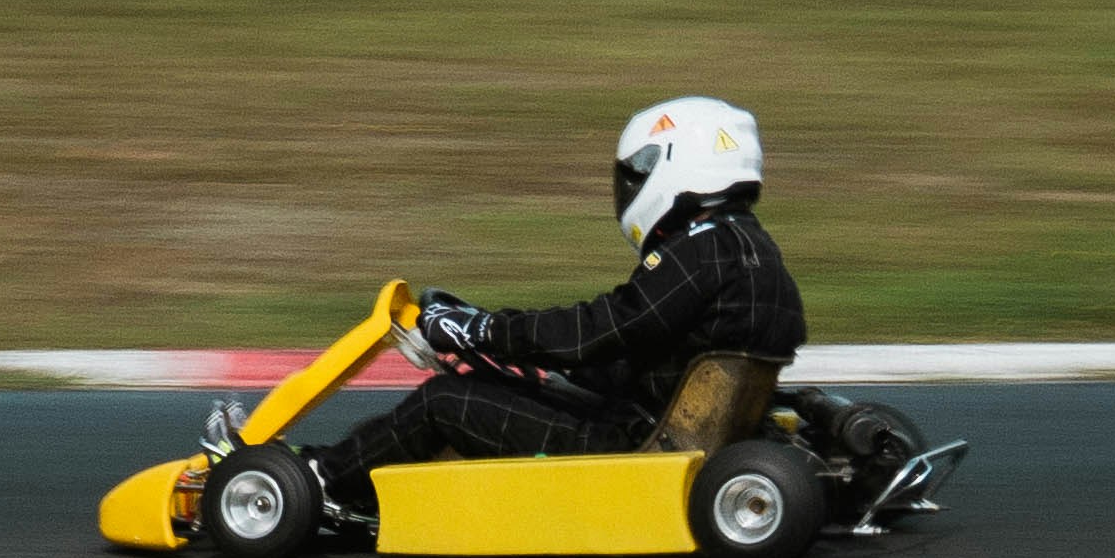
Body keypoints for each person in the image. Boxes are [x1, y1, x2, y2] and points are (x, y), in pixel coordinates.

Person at [296, 95, 806, 520]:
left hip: (631, 447)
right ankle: (355, 482)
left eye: (637, 172)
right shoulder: (754, 250)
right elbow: (647, 353)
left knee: (446, 400)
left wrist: (482, 330)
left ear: (676, 164)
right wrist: (524, 362)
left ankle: (314, 483)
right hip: (660, 424)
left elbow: (599, 330)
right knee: (505, 384)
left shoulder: (701, 252)